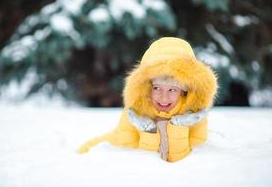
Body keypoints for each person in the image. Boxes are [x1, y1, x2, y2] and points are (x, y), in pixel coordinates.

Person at [78, 37, 218, 162]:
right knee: (84, 152)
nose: (164, 97)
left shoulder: (194, 116)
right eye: (157, 88)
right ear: (147, 87)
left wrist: (179, 127)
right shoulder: (135, 114)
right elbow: (140, 165)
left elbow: (183, 165)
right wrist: (149, 131)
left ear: (184, 91)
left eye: (172, 89)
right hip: (100, 149)